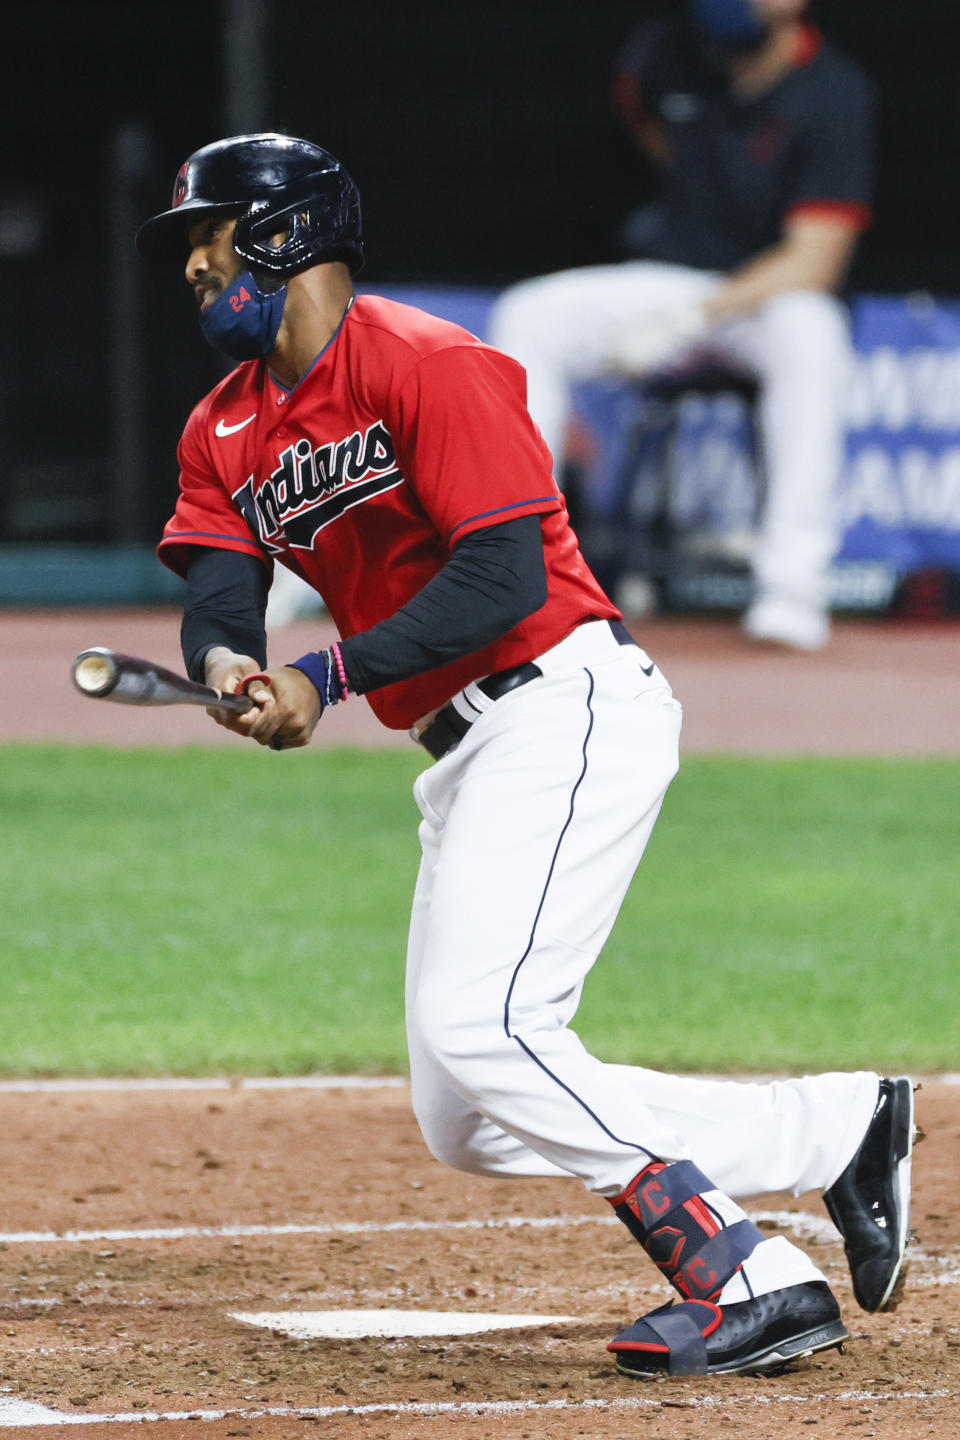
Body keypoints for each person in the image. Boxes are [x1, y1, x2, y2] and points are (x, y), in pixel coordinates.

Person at [136, 132, 914, 1378]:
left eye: (207, 235)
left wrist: (324, 677)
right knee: (470, 1115)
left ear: (286, 233)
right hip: (462, 751)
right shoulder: (225, 426)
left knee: (484, 1022)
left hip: (564, 702)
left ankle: (748, 1272)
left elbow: (499, 579)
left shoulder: (429, 363)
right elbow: (225, 592)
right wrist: (233, 669)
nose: (190, 265)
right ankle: (834, 1126)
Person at [488, 0, 876, 651]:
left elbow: (817, 259)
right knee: (528, 314)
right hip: (669, 278)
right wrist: (679, 307)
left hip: (766, 298)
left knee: (813, 336)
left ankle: (793, 591)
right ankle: (514, 570)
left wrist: (696, 316)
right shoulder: (668, 54)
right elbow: (647, 126)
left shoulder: (834, 90)